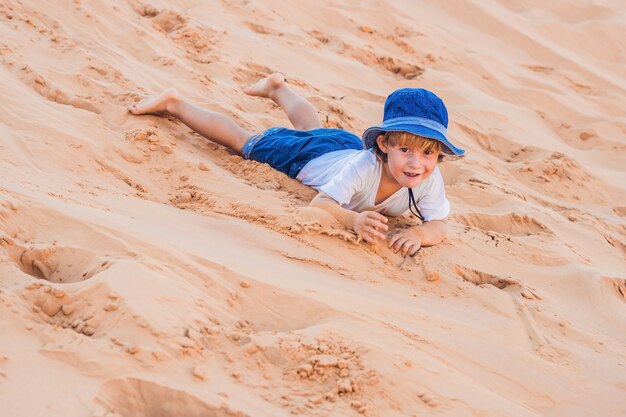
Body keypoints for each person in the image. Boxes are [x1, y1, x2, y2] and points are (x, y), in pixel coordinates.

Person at [128, 73, 465, 256]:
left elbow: (439, 225)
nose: (416, 163)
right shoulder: (366, 167)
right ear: (384, 144)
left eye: (428, 154)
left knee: (313, 129)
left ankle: (278, 88)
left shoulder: (426, 178)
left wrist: (420, 234)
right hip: (311, 159)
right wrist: (353, 219)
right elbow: (320, 205)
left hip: (340, 148)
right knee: (244, 142)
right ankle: (175, 104)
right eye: (405, 149)